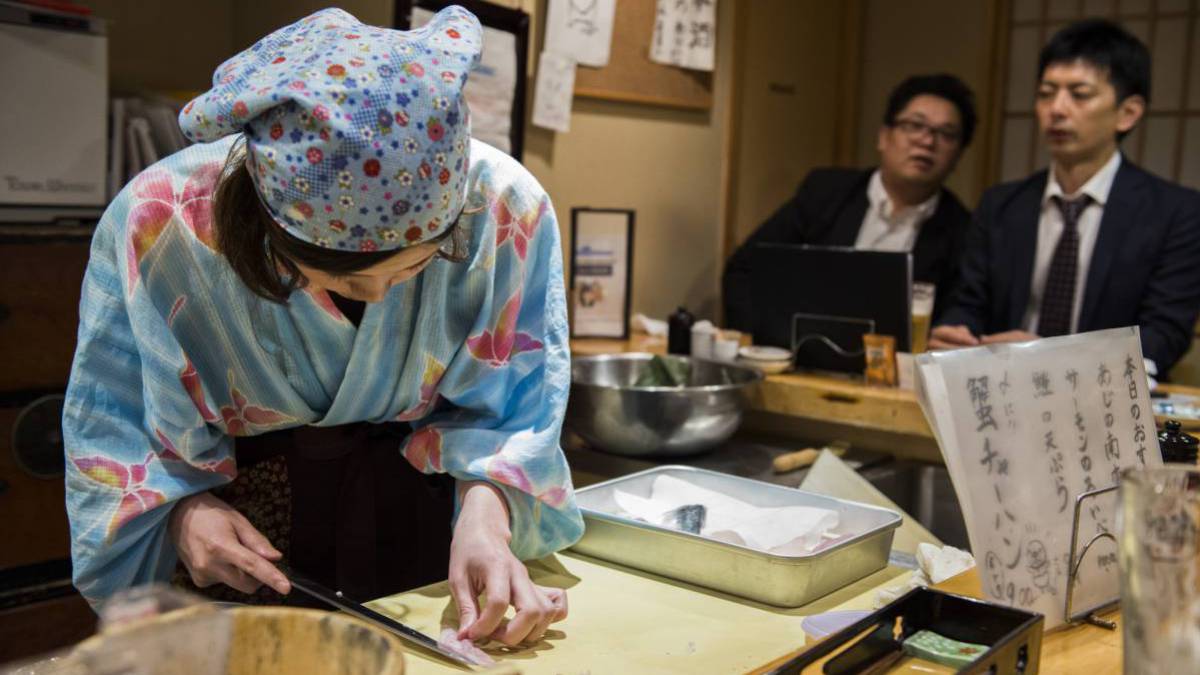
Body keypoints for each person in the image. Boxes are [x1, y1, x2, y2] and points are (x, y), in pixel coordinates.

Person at [64, 7, 581, 648]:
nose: (381, 295)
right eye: (338, 281)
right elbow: (113, 427)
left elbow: (518, 410)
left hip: (427, 506)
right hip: (247, 531)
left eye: (415, 269)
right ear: (260, 225)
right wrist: (180, 516)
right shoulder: (161, 222)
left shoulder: (505, 207)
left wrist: (488, 517)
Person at [931, 19, 1200, 375]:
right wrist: (957, 332)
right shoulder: (1001, 204)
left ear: (1128, 113)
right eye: (1045, 93)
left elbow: (1163, 336)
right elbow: (968, 301)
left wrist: (1046, 355)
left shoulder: (1176, 212)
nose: (1056, 109)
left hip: (1104, 403)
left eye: (1079, 94)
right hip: (1004, 392)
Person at [723, 74, 977, 330]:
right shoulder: (827, 193)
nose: (927, 141)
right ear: (883, 137)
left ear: (959, 155)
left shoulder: (964, 232)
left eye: (946, 134)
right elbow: (744, 271)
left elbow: (952, 322)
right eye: (914, 125)